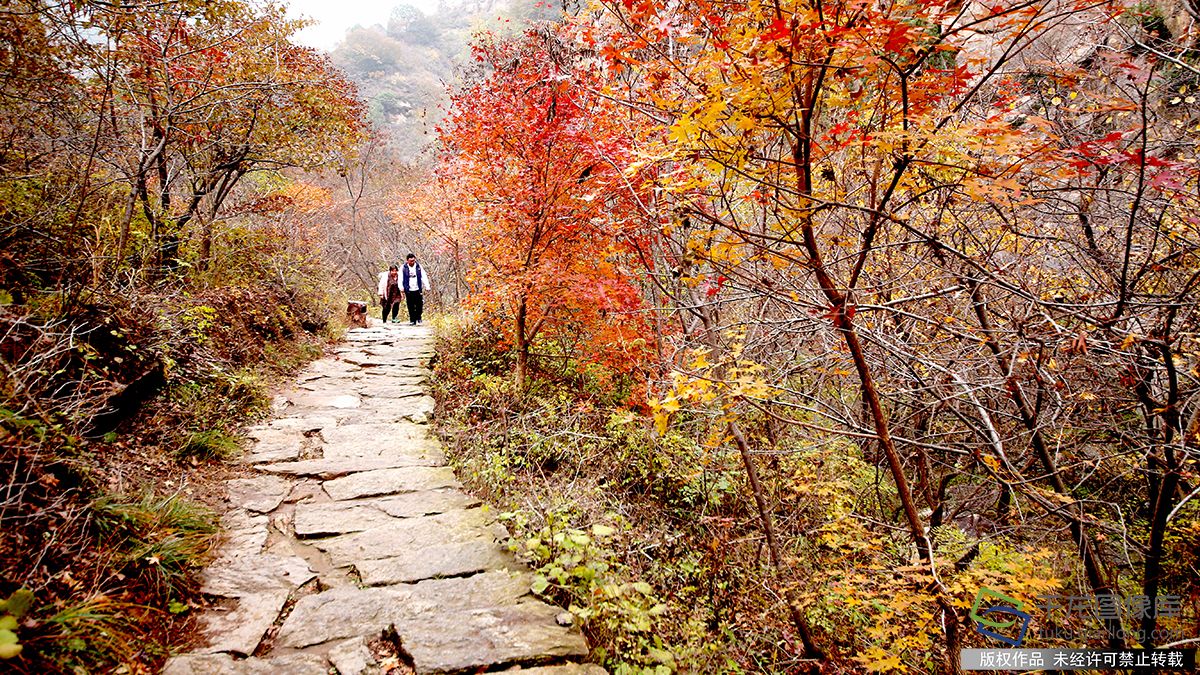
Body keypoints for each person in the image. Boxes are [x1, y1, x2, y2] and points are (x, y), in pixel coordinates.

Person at [401, 253, 429, 325]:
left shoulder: (418, 267)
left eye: (413, 260)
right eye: (410, 261)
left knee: (419, 304)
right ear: (407, 261)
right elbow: (400, 278)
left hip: (417, 288)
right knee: (410, 305)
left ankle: (418, 318)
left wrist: (427, 286)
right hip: (408, 289)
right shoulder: (403, 268)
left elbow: (424, 276)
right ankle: (412, 320)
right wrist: (401, 287)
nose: (412, 262)